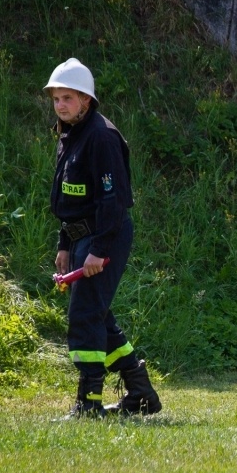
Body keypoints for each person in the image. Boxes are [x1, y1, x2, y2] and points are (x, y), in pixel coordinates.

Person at [45, 58, 162, 419]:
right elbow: (73, 196)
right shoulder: (71, 133)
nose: (60, 105)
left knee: (84, 316)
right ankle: (141, 393)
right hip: (81, 239)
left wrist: (97, 250)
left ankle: (89, 403)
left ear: (86, 100)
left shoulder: (101, 136)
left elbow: (113, 201)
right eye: (56, 98)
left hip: (104, 238)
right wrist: (65, 245)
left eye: (67, 98)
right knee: (97, 315)